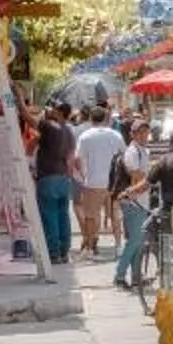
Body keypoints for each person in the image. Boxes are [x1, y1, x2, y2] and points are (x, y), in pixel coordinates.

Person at [73, 106, 125, 256]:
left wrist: (83, 175)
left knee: (91, 215)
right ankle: (118, 246)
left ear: (90, 119)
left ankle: (91, 246)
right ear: (106, 119)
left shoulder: (85, 136)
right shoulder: (116, 135)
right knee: (115, 214)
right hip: (113, 182)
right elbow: (125, 155)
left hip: (93, 181)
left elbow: (77, 158)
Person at [111, 116, 153, 289]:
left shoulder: (144, 151)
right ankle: (119, 275)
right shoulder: (132, 152)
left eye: (146, 132)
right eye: (140, 132)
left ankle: (136, 277)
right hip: (133, 202)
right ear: (132, 134)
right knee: (135, 241)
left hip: (141, 202)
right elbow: (135, 174)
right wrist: (151, 178)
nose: (144, 135)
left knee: (139, 241)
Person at [34, 99, 77, 264]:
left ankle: (54, 253)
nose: (50, 110)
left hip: (48, 178)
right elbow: (70, 159)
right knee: (63, 216)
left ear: (58, 112)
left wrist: (17, 100)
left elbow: (26, 117)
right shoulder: (69, 132)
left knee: (49, 216)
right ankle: (64, 251)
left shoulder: (49, 126)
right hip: (63, 178)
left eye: (53, 109)